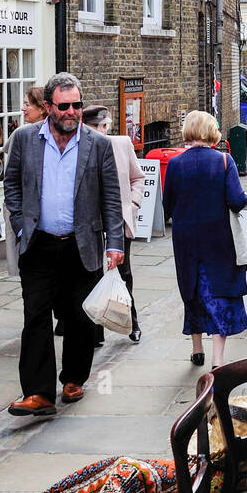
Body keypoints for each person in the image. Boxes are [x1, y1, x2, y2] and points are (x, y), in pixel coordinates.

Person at [3, 72, 124, 418]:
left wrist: (115, 243)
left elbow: (111, 198)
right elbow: (11, 183)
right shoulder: (25, 139)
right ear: (48, 107)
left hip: (80, 244)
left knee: (78, 318)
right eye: (64, 106)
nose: (72, 112)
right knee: (35, 316)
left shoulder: (97, 144)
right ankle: (39, 393)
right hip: (38, 244)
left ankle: (73, 378)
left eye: (77, 105)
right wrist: (20, 225)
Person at [163, 111, 247, 369]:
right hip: (219, 239)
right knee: (218, 294)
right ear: (211, 131)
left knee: (193, 291)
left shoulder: (177, 164)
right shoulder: (224, 161)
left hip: (186, 240)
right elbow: (236, 200)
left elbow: (167, 205)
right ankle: (218, 359)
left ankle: (197, 349)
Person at [82, 106, 145, 343]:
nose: (100, 132)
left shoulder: (120, 144)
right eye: (94, 128)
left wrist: (134, 203)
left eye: (103, 127)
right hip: (89, 223)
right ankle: (96, 330)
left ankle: (131, 322)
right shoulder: (79, 148)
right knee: (92, 274)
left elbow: (137, 177)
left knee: (123, 272)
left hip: (118, 219)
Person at [3, 85, 48, 279]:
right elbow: (10, 178)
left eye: (27, 104)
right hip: (23, 211)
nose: (23, 108)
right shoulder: (21, 135)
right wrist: (19, 223)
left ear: (42, 108)